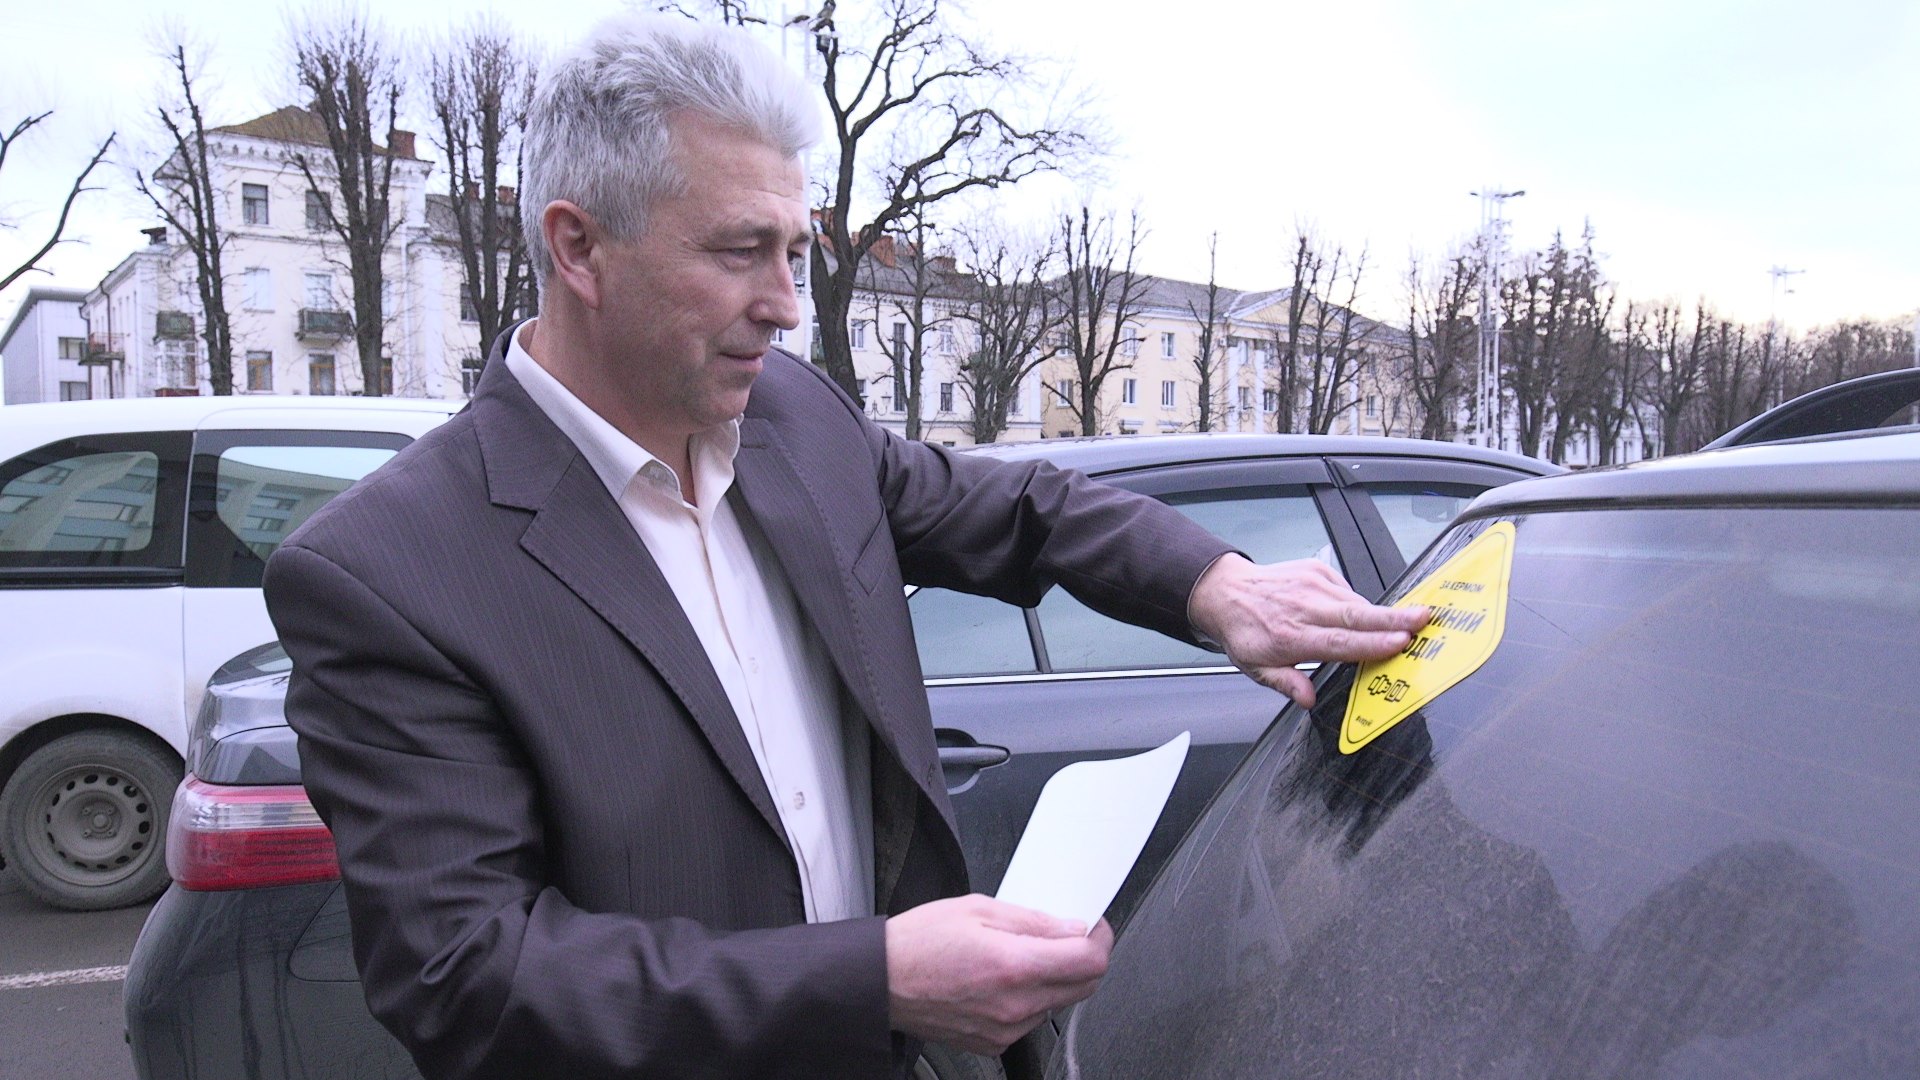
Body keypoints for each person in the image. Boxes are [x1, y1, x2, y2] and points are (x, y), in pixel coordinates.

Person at [261, 14, 1426, 1080]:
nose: (785, 303)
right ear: (579, 247)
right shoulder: (386, 576)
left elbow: (1017, 509)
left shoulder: (794, 418)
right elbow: (473, 982)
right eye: (740, 251)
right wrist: (876, 981)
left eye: (796, 250)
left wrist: (1215, 583)